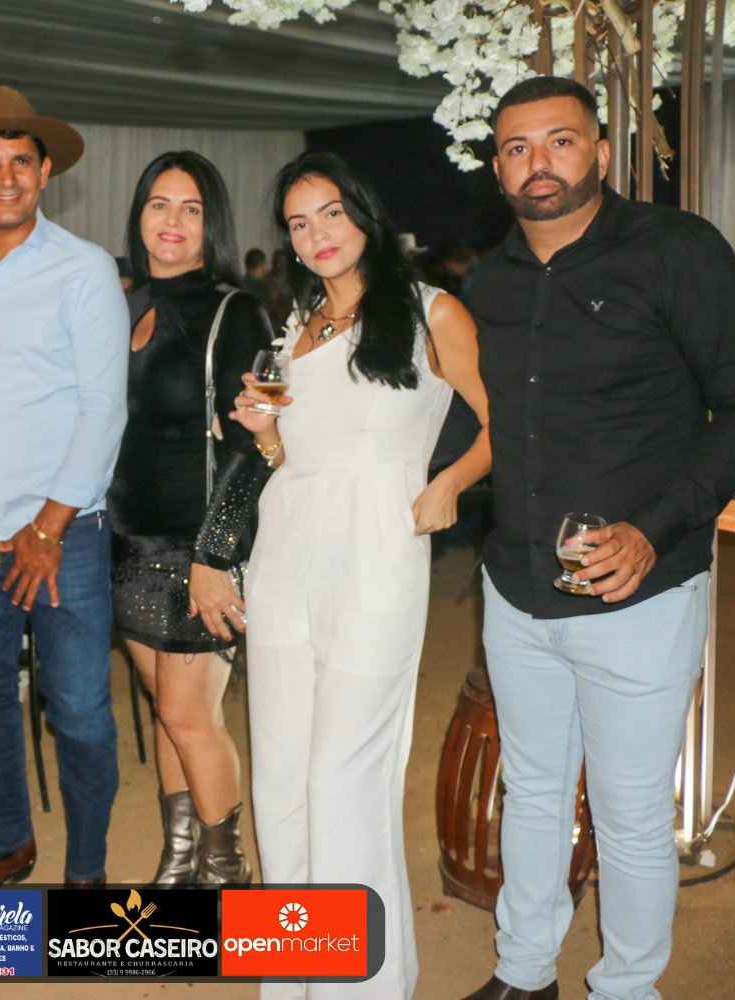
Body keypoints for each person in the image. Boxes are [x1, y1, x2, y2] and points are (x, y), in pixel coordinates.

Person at [459, 76, 735, 1000]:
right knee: (532, 791)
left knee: (630, 813)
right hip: (517, 587)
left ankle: (627, 989)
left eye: (559, 141)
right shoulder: (487, 281)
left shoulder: (675, 250)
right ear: (498, 168)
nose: (538, 163)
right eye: (517, 147)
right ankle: (524, 974)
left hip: (640, 591)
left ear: (600, 151)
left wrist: (656, 528)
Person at [231, 150, 492, 999]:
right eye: (298, 223)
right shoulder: (297, 323)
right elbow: (291, 459)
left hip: (376, 558)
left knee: (345, 779)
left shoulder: (431, 310)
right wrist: (265, 433)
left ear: (364, 214)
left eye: (331, 214)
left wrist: (450, 482)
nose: (317, 235)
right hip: (284, 556)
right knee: (281, 775)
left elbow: (506, 423)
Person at [0, 85, 128, 887]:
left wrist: (47, 526)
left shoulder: (84, 269)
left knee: (78, 709)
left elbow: (104, 407)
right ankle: (7, 840)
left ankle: (88, 869)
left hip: (64, 535)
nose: (5, 178)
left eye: (19, 162)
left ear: (45, 172)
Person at [107, 151, 272, 887]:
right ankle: (180, 861)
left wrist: (215, 554)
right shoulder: (124, 304)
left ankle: (227, 872)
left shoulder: (235, 311)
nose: (172, 221)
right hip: (126, 541)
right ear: (139, 215)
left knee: (189, 716)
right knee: (165, 712)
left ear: (213, 224)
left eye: (191, 208)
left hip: (195, 544)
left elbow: (252, 444)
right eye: (159, 204)